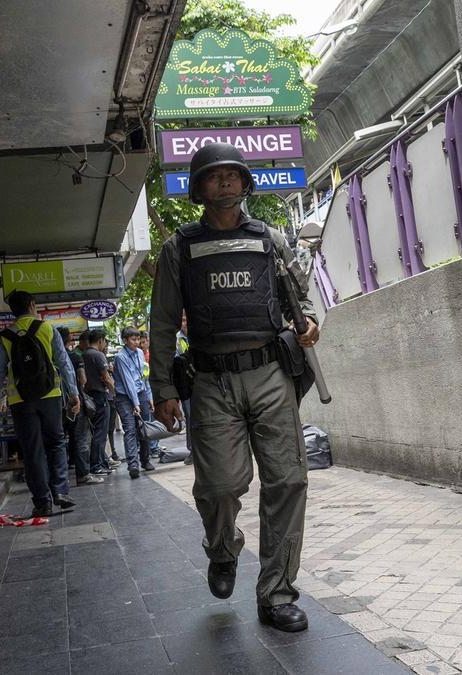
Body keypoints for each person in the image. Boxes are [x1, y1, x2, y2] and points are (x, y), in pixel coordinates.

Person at [149, 142, 320, 633]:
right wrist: (162, 389)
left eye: (232, 174)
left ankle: (276, 594)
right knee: (220, 487)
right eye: (213, 176)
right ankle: (222, 551)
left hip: (270, 373)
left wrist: (307, 322)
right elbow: (161, 325)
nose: (223, 181)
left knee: (287, 482)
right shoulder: (178, 248)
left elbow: (299, 301)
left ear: (245, 184)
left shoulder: (271, 239)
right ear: (198, 189)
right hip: (210, 381)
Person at [0, 290, 80, 517]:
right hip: (50, 395)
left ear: (12, 310)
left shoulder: (4, 336)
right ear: (32, 305)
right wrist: (73, 393)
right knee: (56, 442)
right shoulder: (47, 329)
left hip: (20, 399)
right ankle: (60, 491)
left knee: (32, 450)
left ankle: (42, 502)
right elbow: (64, 363)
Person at [58, 327, 100, 485]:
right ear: (68, 340)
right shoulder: (74, 357)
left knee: (58, 441)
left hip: (55, 404)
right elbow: (82, 379)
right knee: (80, 438)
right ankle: (83, 475)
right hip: (75, 402)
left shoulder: (51, 358)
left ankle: (60, 478)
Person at [112, 326, 154, 478]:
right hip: (125, 397)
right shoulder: (121, 357)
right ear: (125, 340)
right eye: (133, 339)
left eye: (138, 339)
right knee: (130, 429)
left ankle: (145, 460)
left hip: (141, 393)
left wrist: (149, 397)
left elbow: (144, 375)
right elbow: (128, 381)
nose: (137, 342)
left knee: (144, 428)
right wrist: (135, 403)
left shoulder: (141, 353)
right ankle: (133, 465)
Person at [81, 329, 114, 477]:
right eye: (105, 341)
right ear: (100, 340)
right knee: (101, 433)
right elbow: (106, 378)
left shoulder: (85, 354)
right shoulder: (98, 355)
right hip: (100, 396)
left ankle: (101, 462)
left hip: (90, 397)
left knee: (96, 432)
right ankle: (97, 465)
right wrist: (115, 391)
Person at [175, 313, 194, 466]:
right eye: (182, 320)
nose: (185, 322)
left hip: (200, 381)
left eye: (187, 319)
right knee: (190, 417)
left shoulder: (197, 334)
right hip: (186, 383)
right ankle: (193, 450)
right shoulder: (177, 339)